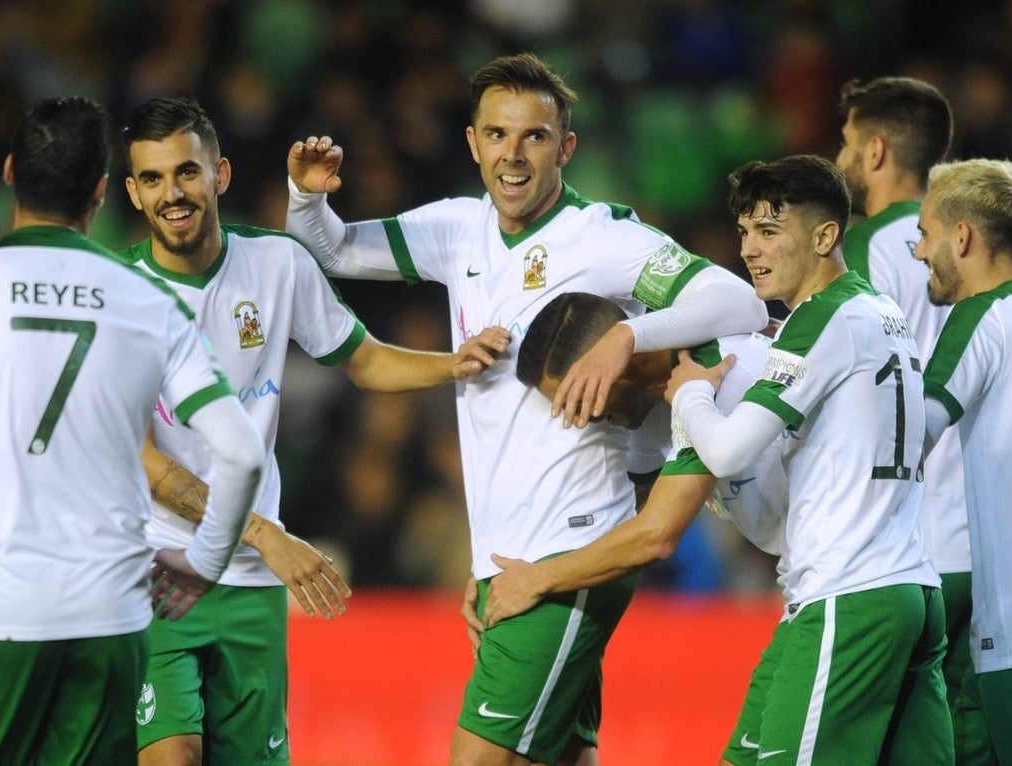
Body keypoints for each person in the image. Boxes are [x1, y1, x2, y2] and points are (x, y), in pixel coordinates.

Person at [285, 52, 768, 765]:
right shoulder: (456, 230)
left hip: (569, 551)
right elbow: (330, 247)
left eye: (534, 136)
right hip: (508, 561)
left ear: (565, 147)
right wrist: (307, 198)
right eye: (497, 134)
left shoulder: (605, 238)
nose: (514, 154)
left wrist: (627, 336)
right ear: (473, 142)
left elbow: (740, 300)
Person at [120, 96, 508, 766]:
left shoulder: (276, 265)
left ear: (221, 176)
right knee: (171, 756)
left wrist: (454, 363)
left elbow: (362, 359)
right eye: (152, 179)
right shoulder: (120, 293)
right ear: (131, 192)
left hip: (253, 590)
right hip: (158, 573)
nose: (172, 194)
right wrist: (266, 534)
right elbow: (143, 460)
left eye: (186, 172)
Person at [0, 97, 263, 766]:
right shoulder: (147, 302)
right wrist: (204, 563)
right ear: (103, 189)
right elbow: (242, 453)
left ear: (11, 173)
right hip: (110, 614)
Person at [668, 155, 952, 764]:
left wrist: (688, 390)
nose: (749, 248)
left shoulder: (823, 319)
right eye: (744, 231)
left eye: (770, 231)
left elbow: (726, 447)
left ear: (826, 236)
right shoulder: (881, 312)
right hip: (906, 592)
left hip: (849, 597)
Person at [833, 77, 987, 762]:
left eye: (844, 142)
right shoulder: (975, 243)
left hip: (908, 546)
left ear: (874, 150)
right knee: (974, 735)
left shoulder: (863, 251)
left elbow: (859, 399)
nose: (839, 158)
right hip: (992, 533)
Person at [479, 291, 785, 627]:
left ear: (617, 362)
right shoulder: (651, 409)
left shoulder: (714, 378)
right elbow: (621, 521)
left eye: (581, 397)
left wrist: (536, 579)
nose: (584, 418)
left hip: (841, 568)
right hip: (807, 571)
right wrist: (491, 573)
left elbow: (655, 535)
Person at [918, 158, 1012, 766]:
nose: (920, 253)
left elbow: (908, 435)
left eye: (925, 234)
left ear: (964, 237)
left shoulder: (983, 315)